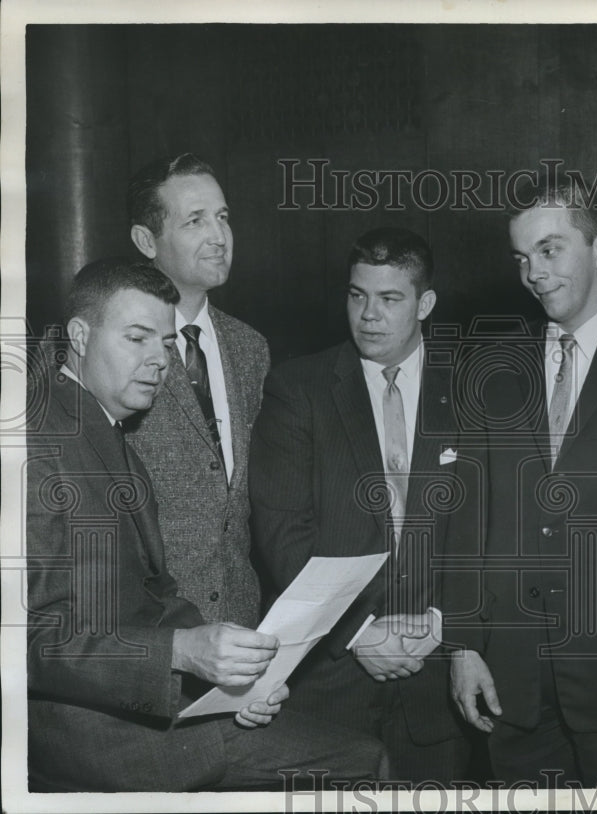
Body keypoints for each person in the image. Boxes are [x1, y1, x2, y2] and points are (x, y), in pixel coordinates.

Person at [26, 258, 388, 791]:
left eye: (166, 343)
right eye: (136, 338)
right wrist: (183, 653)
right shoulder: (39, 444)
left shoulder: (108, 434)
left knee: (360, 752)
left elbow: (156, 597)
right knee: (363, 761)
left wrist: (234, 675)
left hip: (139, 709)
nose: (158, 361)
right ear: (79, 336)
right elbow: (31, 640)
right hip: (94, 737)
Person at [448, 178, 597, 786]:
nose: (533, 272)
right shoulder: (491, 367)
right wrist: (463, 646)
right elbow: (466, 520)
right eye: (522, 257)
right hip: (513, 683)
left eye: (551, 250)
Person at [250, 227, 475, 783]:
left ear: (425, 303)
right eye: (357, 295)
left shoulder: (471, 387)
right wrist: (360, 632)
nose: (368, 315)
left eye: (389, 298)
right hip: (330, 684)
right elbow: (283, 537)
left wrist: (448, 624)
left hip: (437, 683)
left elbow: (485, 527)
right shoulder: (297, 388)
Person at [125, 153, 269, 627]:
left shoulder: (249, 348)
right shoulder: (112, 348)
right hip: (151, 633)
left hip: (239, 627)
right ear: (147, 240)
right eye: (195, 221)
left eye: (223, 217)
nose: (219, 236)